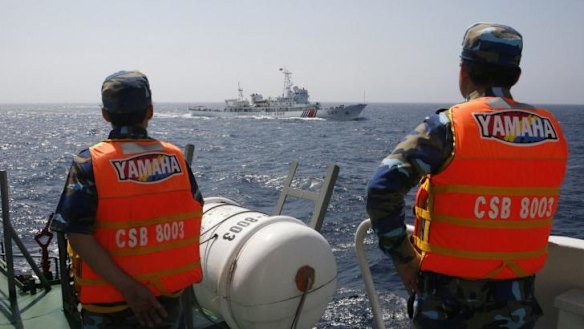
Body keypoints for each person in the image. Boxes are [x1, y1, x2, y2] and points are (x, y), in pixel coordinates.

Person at [366, 23, 568, 328]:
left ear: (464, 71)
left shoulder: (448, 126)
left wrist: (405, 259)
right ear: (516, 75)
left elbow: (381, 189)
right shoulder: (552, 129)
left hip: (447, 307)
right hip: (518, 305)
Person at [51, 70, 205, 329]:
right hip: (167, 302)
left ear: (105, 114)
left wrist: (130, 289)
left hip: (111, 309)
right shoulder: (177, 158)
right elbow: (193, 208)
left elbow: (77, 234)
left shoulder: (90, 164)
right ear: (150, 111)